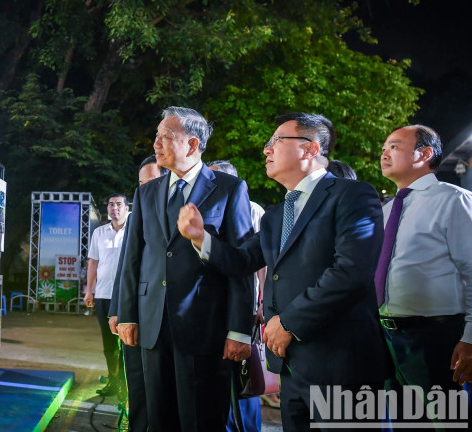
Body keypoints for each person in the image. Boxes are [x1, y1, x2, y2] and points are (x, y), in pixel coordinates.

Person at [179, 112, 388, 430]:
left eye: (276, 141)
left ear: (310, 148)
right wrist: (200, 238)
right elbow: (241, 261)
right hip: (290, 364)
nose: (267, 149)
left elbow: (351, 273)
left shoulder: (353, 196)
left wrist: (289, 322)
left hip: (340, 363)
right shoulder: (276, 216)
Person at [117, 107, 254, 431]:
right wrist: (127, 314)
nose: (156, 143)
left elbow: (241, 264)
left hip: (206, 329)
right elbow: (133, 258)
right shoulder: (146, 192)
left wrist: (239, 330)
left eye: (165, 136)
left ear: (193, 144)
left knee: (201, 419)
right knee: (158, 418)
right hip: (152, 325)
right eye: (156, 135)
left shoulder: (230, 189)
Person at [378, 126, 472, 408]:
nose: (384, 153)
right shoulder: (386, 210)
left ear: (424, 153)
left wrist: (470, 338)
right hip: (387, 337)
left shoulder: (453, 199)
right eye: (383, 148)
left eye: (394, 146)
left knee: (446, 421)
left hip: (437, 337)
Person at [108, 154, 166, 432]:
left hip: (163, 316)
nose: (144, 189)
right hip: (134, 315)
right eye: (141, 184)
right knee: (136, 383)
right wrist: (117, 310)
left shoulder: (181, 213)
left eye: (150, 182)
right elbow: (125, 266)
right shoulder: (136, 217)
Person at [207, 160, 265, 432]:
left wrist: (261, 302)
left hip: (246, 307)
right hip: (216, 307)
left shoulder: (253, 210)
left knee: (244, 374)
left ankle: (247, 426)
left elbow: (261, 262)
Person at [85, 194, 129, 398]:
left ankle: (127, 384)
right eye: (111, 204)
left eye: (119, 204)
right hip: (103, 295)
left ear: (127, 208)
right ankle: (114, 381)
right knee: (109, 342)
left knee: (127, 341)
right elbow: (93, 262)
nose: (114, 207)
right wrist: (89, 290)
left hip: (127, 296)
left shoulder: (133, 232)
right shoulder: (99, 233)